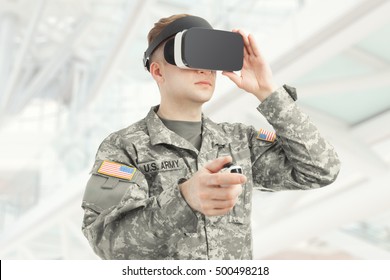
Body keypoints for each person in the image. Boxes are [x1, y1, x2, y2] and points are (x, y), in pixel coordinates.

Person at [81, 14, 341, 260]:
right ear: (158, 72)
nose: (205, 69)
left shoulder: (241, 141)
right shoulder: (125, 147)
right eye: (192, 57)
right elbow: (107, 241)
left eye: (211, 58)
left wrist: (268, 92)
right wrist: (184, 199)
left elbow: (321, 170)